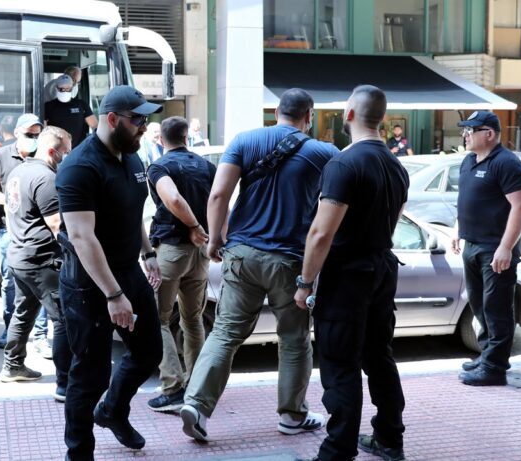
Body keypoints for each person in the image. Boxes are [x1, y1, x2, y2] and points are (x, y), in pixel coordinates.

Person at [180, 88, 338, 443]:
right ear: (309, 116)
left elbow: (218, 195)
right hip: (290, 260)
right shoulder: (324, 153)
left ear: (277, 112)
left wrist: (215, 239)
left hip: (241, 255)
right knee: (294, 338)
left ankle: (196, 405)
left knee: (225, 333)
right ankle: (292, 415)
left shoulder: (245, 140)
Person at [294, 85, 409, 461]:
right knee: (379, 357)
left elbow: (321, 233)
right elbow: (394, 218)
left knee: (341, 363)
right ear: (383, 119)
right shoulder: (396, 166)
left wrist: (305, 283)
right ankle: (390, 438)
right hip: (381, 270)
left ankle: (337, 451)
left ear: (348, 115)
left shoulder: (344, 164)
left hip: (347, 276)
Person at [55, 85, 163, 460]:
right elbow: (82, 237)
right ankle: (79, 453)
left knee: (149, 353)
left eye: (146, 120)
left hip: (128, 271)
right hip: (89, 284)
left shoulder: (132, 158)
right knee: (90, 374)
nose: (144, 127)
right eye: (137, 120)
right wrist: (114, 295)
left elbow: (131, 212)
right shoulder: (80, 167)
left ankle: (113, 410)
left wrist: (148, 252)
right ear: (112, 119)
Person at [451, 111, 521, 387]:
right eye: (465, 130)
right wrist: (457, 229)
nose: (465, 135)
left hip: (495, 249)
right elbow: (466, 198)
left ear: (489, 134)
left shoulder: (506, 163)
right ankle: (487, 356)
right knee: (479, 305)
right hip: (472, 245)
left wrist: (506, 248)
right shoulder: (468, 160)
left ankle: (494, 368)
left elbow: (520, 207)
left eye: (470, 130)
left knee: (496, 308)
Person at [145, 117, 216, 413]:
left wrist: (193, 226)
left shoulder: (159, 167)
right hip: (200, 252)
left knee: (159, 319)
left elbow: (173, 199)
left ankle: (173, 387)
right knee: (192, 319)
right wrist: (210, 236)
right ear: (187, 137)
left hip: (172, 249)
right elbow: (219, 202)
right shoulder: (207, 166)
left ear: (161, 140)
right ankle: (196, 387)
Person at [0, 126, 73, 398]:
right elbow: (57, 225)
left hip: (19, 256)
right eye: (66, 151)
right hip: (41, 260)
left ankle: (12, 366)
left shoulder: (18, 172)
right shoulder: (46, 178)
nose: (68, 156)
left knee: (24, 312)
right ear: (52, 151)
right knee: (63, 319)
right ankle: (65, 384)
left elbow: (10, 211)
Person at [0, 113, 52, 358]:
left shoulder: (42, 157)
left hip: (37, 232)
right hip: (8, 230)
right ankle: (9, 330)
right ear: (16, 133)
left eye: (37, 135)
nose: (33, 139)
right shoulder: (0, 156)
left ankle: (41, 336)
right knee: (9, 282)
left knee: (41, 284)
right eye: (28, 134)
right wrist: (13, 202)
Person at [44, 74, 97, 148]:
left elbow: (95, 126)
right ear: (56, 88)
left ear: (72, 88)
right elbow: (44, 130)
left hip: (78, 149)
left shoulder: (81, 105)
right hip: (56, 148)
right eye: (62, 89)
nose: (65, 91)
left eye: (68, 88)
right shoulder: (48, 106)